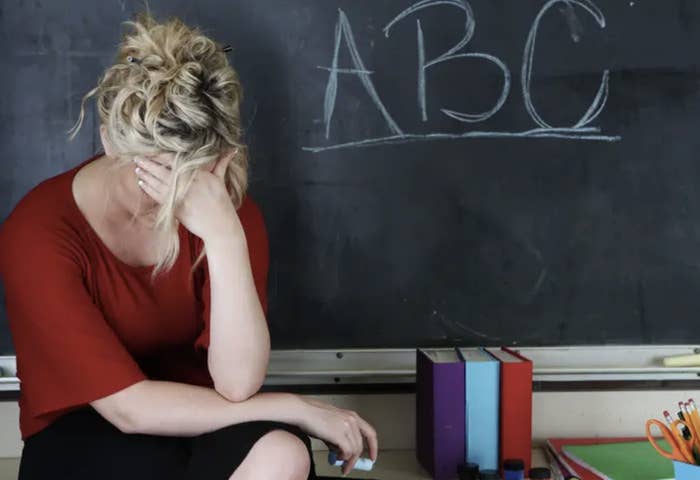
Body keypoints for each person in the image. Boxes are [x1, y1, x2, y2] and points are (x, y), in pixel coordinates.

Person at [0, 9, 377, 480]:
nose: (171, 193)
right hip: (85, 432)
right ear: (109, 140)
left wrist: (223, 236)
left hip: (204, 417)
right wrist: (296, 406)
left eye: (189, 172)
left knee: (284, 453)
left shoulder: (221, 207)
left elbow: (237, 384)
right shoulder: (38, 231)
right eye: (152, 170)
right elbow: (128, 410)